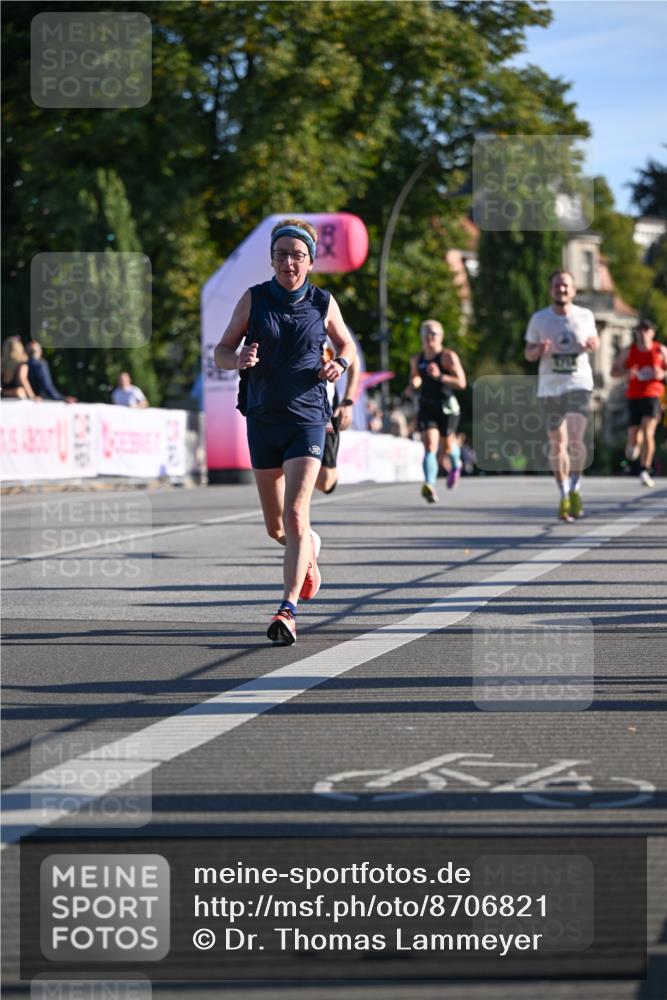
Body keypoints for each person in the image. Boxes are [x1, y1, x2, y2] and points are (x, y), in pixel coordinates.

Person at [213, 218, 356, 645]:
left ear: (310, 261)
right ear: (272, 259)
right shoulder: (254, 299)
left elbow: (346, 344)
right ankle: (308, 546)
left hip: (309, 416)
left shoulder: (322, 302)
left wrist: (340, 364)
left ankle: (287, 610)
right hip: (262, 417)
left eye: (297, 255)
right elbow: (221, 350)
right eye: (281, 255)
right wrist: (237, 360)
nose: (288, 262)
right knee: (277, 528)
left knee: (296, 513)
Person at [524, 270, 599, 521]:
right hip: (550, 387)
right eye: (557, 286)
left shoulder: (585, 316)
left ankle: (576, 485)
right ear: (551, 290)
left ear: (573, 290)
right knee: (558, 444)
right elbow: (528, 354)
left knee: (576, 440)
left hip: (579, 383)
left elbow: (595, 342)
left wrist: (591, 345)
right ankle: (564, 492)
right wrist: (539, 349)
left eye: (566, 286)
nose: (562, 290)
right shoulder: (539, 319)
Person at [406, 319, 466, 503]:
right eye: (426, 334)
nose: (429, 337)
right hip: (427, 406)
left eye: (433, 334)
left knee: (447, 446)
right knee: (430, 445)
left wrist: (439, 376)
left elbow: (461, 383)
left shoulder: (447, 357)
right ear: (422, 337)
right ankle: (429, 485)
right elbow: (415, 377)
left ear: (441, 337)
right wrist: (413, 385)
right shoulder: (417, 359)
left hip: (447, 407)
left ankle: (456, 464)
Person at [611, 319, 667, 487]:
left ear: (652, 332)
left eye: (646, 330)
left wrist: (662, 375)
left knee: (648, 431)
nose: (642, 333)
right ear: (636, 332)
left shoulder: (661, 350)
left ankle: (645, 469)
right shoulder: (628, 351)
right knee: (634, 435)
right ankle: (632, 446)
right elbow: (613, 372)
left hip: (653, 395)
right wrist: (627, 372)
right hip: (634, 395)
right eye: (639, 330)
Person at [315, 342, 360, 495]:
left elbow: (353, 358)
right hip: (288, 407)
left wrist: (348, 401)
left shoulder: (326, 322)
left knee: (325, 481)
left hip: (325, 409)